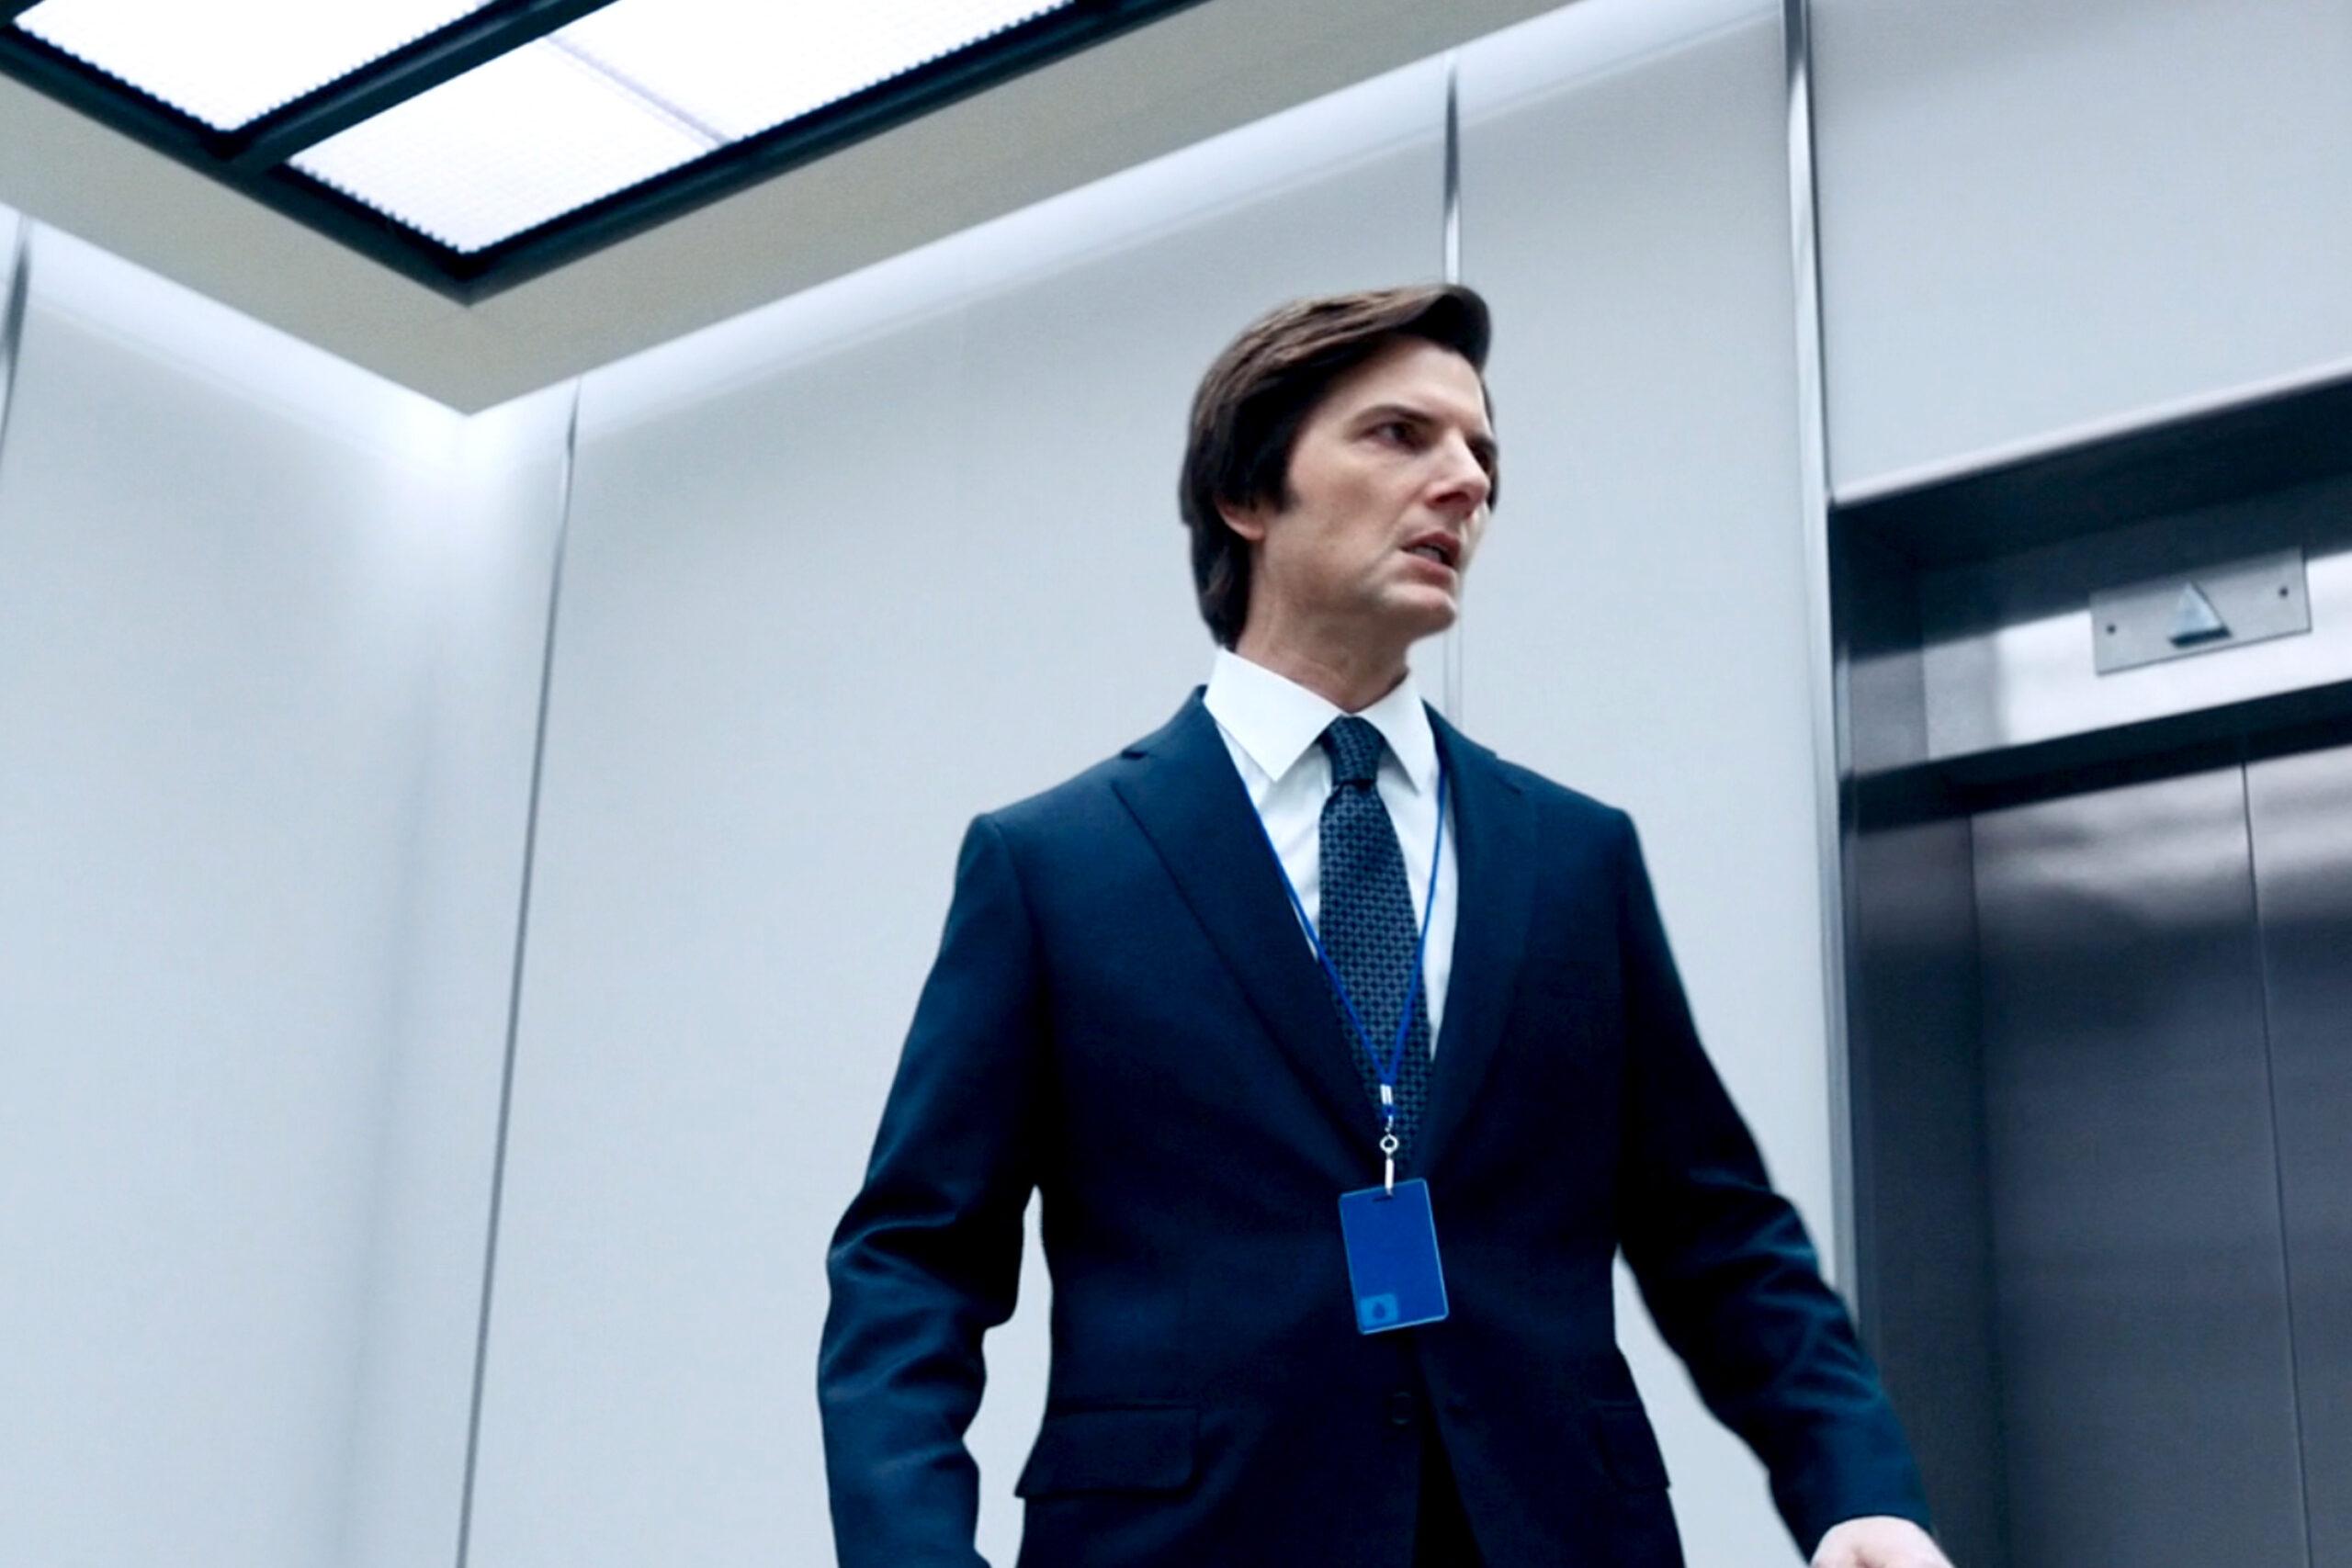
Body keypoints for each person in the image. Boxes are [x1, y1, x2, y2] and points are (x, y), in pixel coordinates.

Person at [818, 285, 1951, 1567]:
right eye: (1401, 436)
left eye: (1481, 453)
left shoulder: (1574, 857)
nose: (1466, 483)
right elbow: (915, 1262)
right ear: (1246, 497)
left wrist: (1860, 1490)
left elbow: (1720, 1233)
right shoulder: (1053, 867)